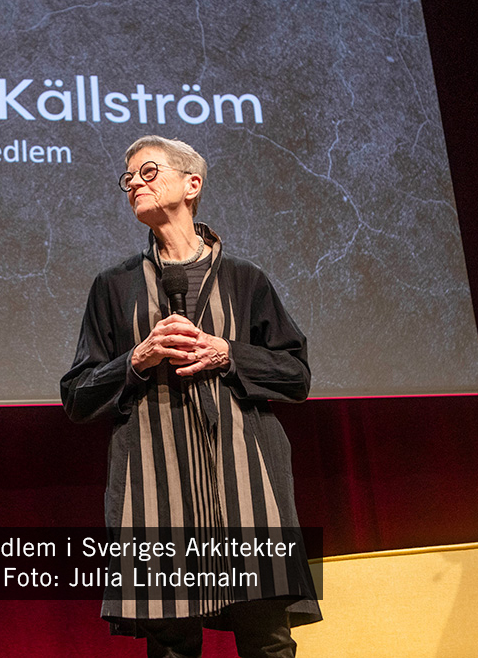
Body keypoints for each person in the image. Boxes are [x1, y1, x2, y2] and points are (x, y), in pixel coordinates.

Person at [61, 136, 320, 658]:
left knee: (268, 639)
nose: (133, 182)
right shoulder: (114, 287)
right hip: (156, 489)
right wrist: (137, 358)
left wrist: (229, 352)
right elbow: (77, 395)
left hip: (248, 482)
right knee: (172, 647)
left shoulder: (246, 280)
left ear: (191, 184)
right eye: (128, 177)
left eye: (148, 171)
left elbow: (296, 375)